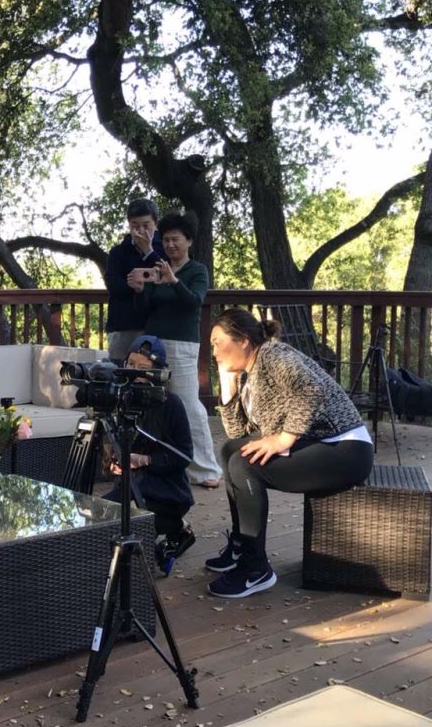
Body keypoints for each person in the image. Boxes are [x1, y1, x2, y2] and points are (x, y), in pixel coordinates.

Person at [206, 309, 374, 598]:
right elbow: (237, 433)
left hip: (345, 449)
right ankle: (241, 546)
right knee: (231, 449)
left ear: (243, 341)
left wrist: (283, 439)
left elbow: (312, 388)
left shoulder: (273, 355)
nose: (214, 352)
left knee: (245, 465)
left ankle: (256, 570)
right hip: (317, 442)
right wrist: (227, 382)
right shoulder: (249, 372)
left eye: (218, 342)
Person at [132, 211, 222, 489]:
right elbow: (145, 308)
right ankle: (159, 462)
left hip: (182, 344)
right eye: (167, 240)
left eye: (176, 240)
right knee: (152, 400)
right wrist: (140, 289)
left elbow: (194, 302)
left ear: (189, 241)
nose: (170, 245)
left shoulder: (197, 270)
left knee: (187, 403)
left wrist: (173, 281)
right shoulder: (158, 269)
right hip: (153, 344)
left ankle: (206, 469)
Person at [103, 335, 196, 575]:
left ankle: (175, 530)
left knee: (131, 529)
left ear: (156, 372)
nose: (135, 373)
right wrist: (115, 461)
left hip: (165, 491)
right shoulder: (122, 397)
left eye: (142, 368)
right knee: (102, 514)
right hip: (130, 486)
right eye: (131, 364)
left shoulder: (171, 404)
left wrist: (144, 460)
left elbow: (184, 455)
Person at [104, 198, 165, 362]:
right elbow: (112, 284)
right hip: (123, 324)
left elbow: (166, 277)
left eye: (146, 225)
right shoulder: (118, 252)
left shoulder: (165, 248)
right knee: (119, 369)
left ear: (155, 223)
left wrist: (148, 251)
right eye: (135, 226)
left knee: (152, 371)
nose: (140, 230)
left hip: (155, 324)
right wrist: (133, 285)